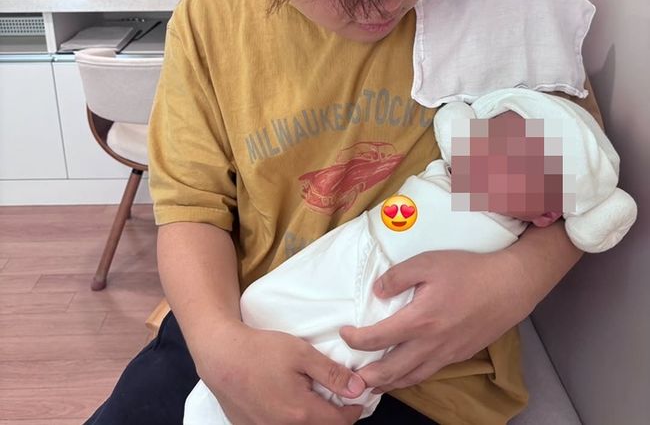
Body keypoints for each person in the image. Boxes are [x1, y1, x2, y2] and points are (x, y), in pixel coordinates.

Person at [85, 0, 610, 424]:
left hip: (430, 368)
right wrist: (219, 347)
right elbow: (192, 210)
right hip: (251, 318)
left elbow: (588, 183)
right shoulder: (214, 18)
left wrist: (512, 284)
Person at [182, 88, 637, 424]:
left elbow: (574, 213)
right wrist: (217, 342)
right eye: (491, 141)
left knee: (340, 365)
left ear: (547, 213)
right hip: (337, 260)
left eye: (520, 165)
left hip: (396, 323)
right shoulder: (445, 173)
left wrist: (517, 275)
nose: (492, 159)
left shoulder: (504, 229)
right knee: (267, 308)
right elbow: (189, 204)